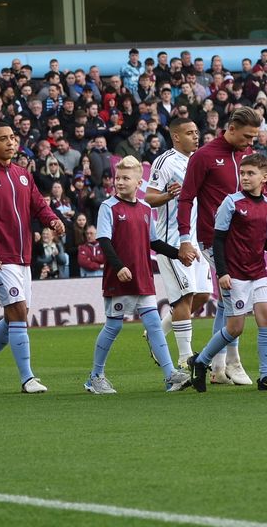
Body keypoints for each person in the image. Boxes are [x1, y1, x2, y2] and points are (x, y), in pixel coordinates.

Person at [86, 157, 190, 395]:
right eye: (117, 178)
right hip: (119, 278)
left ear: (138, 182)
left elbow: (153, 242)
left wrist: (178, 254)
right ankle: (95, 376)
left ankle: (170, 374)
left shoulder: (145, 209)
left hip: (143, 278)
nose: (120, 182)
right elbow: (104, 240)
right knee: (113, 326)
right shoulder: (108, 207)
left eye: (125, 178)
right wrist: (119, 266)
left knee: (154, 324)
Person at [175, 105, 262, 385]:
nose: (251, 143)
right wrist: (185, 238)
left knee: (228, 303)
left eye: (254, 138)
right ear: (231, 129)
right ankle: (231, 362)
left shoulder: (245, 157)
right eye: (247, 137)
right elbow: (186, 197)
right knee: (234, 298)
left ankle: (218, 366)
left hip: (242, 238)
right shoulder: (204, 157)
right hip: (214, 239)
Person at [0, 123, 63, 394]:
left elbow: (38, 204)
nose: (11, 143)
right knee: (18, 313)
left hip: (23, 256)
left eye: (13, 138)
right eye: (3, 139)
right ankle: (27, 378)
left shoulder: (23, 174)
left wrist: (52, 219)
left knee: (15, 315)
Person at [190, 155, 267, 392]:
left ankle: (265, 376)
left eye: (250, 173)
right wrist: (222, 272)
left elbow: (263, 241)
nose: (244, 177)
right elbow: (218, 240)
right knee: (235, 328)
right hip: (235, 274)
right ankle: (201, 362)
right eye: (242, 173)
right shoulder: (231, 202)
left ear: (264, 177)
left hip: (258, 272)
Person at [146, 117, 199, 367]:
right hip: (172, 240)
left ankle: (156, 333)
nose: (195, 136)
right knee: (184, 297)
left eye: (196, 132)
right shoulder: (165, 161)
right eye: (189, 133)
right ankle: (185, 357)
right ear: (176, 137)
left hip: (195, 238)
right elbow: (149, 198)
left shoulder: (196, 161)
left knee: (202, 296)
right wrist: (169, 195)